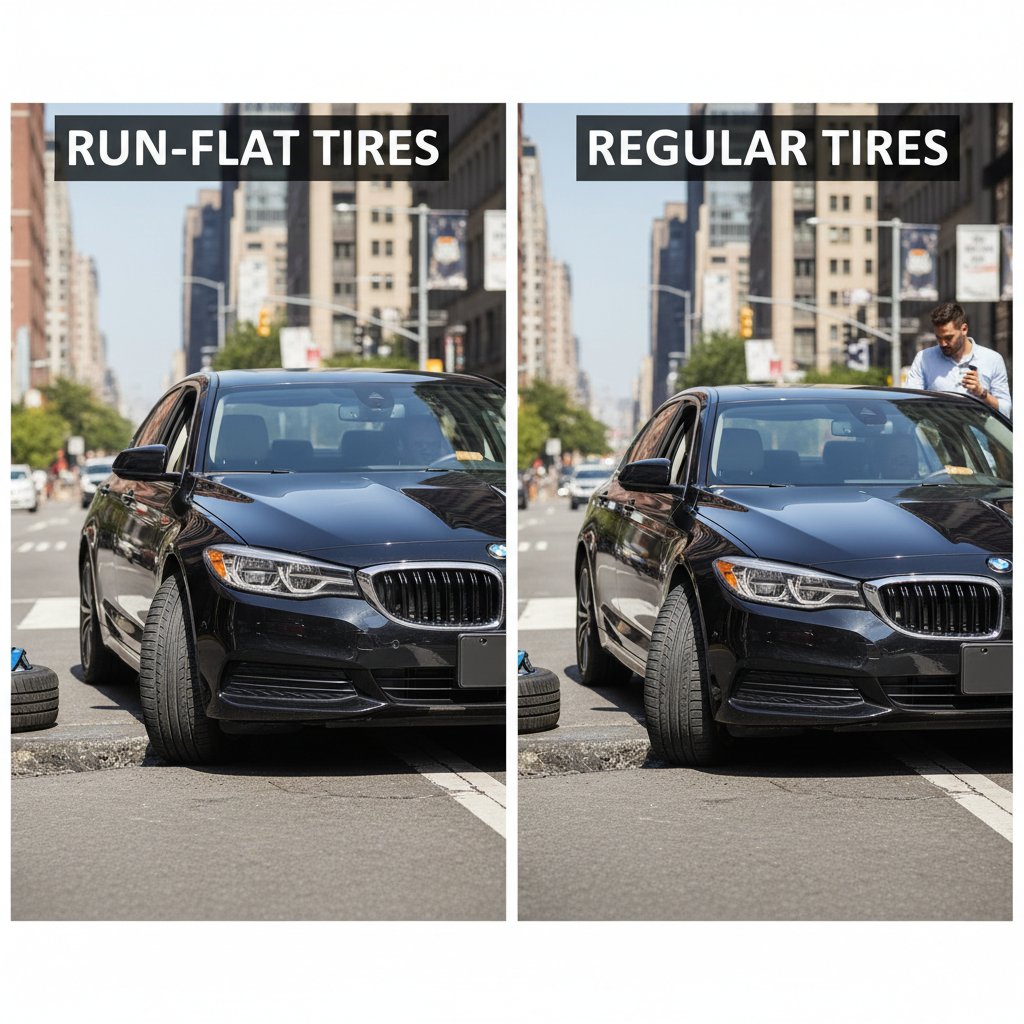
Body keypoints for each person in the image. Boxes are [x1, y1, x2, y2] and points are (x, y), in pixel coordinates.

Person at [904, 301, 1011, 417]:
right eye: (938, 337)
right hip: (938, 431)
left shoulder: (992, 359)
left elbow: (1005, 410)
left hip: (980, 432)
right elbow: (910, 404)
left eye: (948, 338)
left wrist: (982, 393)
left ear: (964, 329)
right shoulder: (924, 358)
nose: (943, 343)